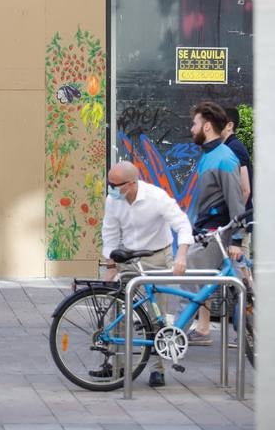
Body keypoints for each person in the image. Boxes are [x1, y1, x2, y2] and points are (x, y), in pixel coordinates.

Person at [101, 159, 193, 388]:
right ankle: (117, 366)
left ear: (131, 184)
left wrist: (181, 256)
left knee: (156, 314)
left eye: (115, 184)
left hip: (156, 256)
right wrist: (110, 267)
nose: (110, 189)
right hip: (128, 257)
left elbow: (182, 224)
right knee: (118, 312)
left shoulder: (156, 197)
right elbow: (110, 234)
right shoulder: (114, 201)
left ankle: (157, 370)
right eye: (109, 183)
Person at [187, 101, 246, 344]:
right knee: (205, 276)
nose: (191, 128)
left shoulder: (224, 158)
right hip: (208, 229)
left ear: (207, 126)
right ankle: (202, 327)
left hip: (217, 232)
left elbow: (236, 199)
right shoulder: (210, 155)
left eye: (195, 123)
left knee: (192, 268)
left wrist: (237, 240)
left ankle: (204, 328)